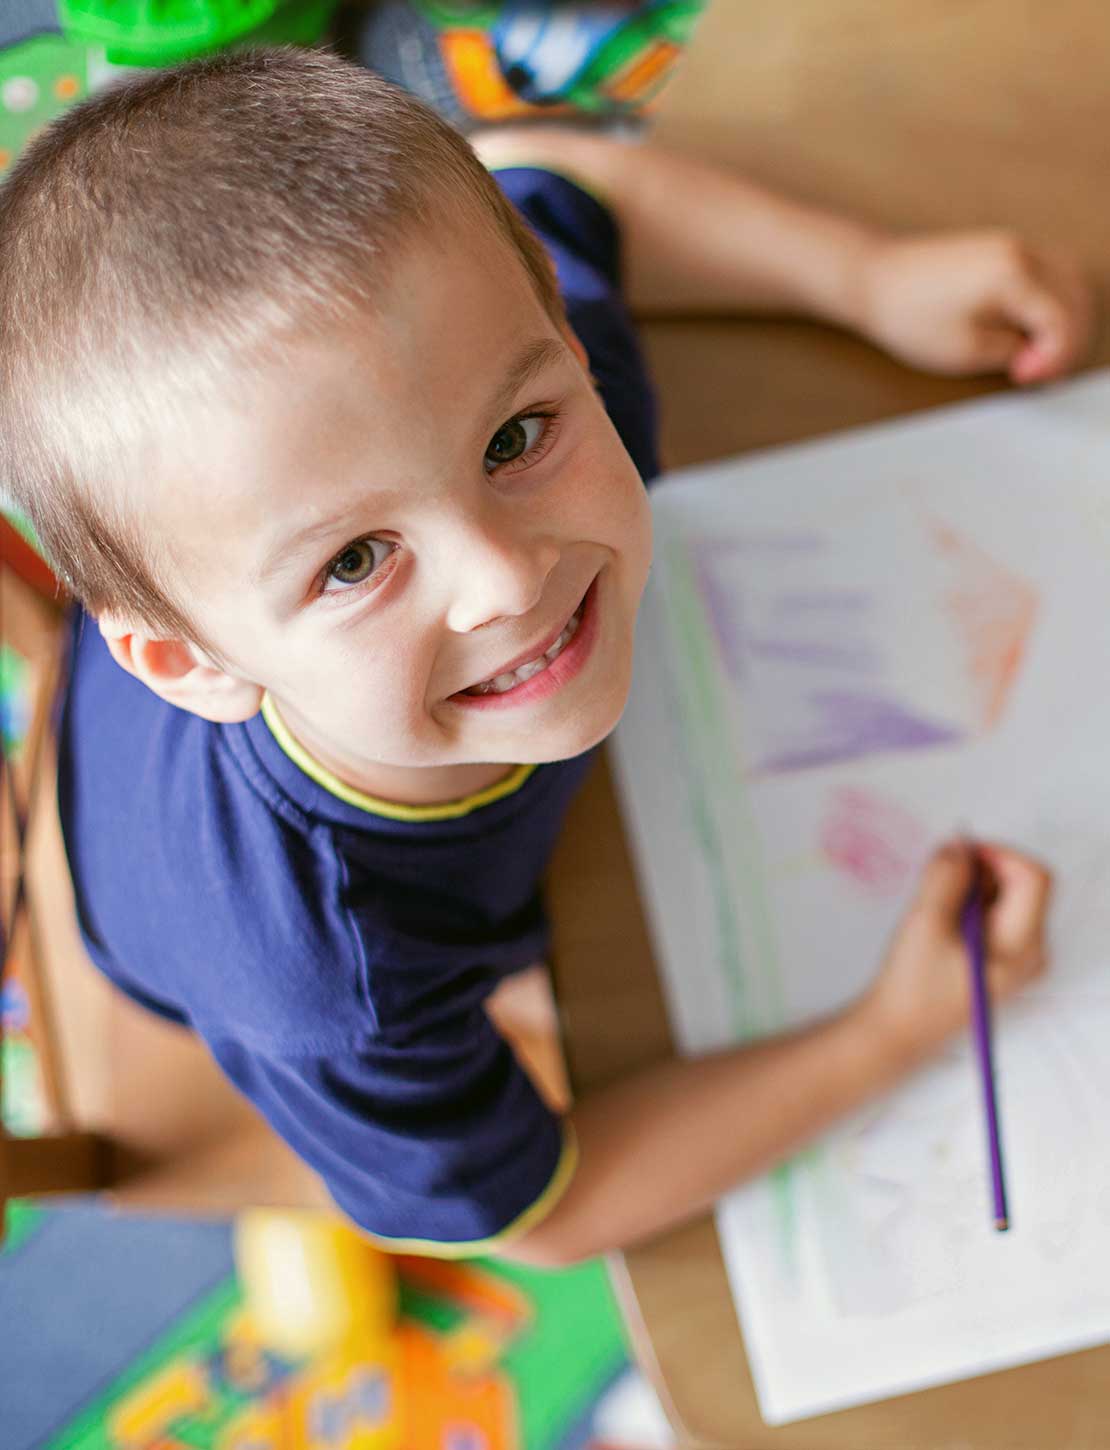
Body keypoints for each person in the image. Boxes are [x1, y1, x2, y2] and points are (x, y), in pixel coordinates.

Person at [0, 47, 1070, 1265]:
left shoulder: (482, 363)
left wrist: (867, 278)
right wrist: (889, 1033)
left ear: (554, 325)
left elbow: (555, 176)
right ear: (192, 660)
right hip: (162, 886)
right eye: (355, 561)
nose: (508, 578)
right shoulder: (329, 989)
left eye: (514, 440)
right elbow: (544, 1215)